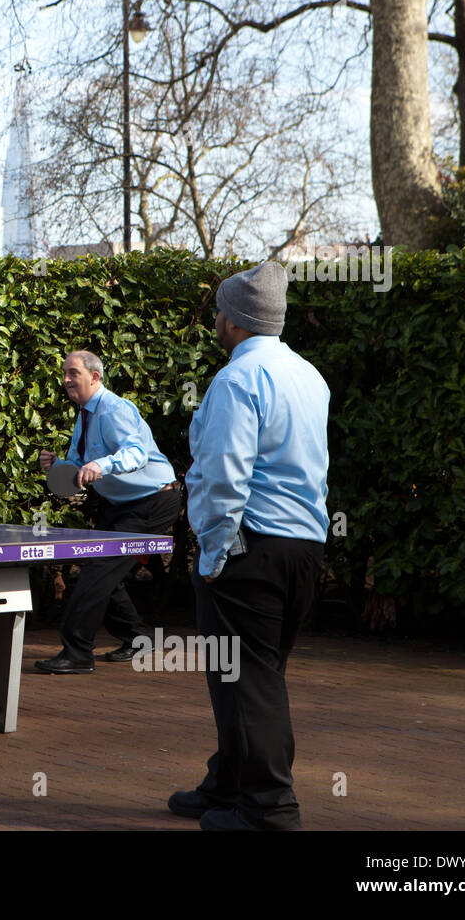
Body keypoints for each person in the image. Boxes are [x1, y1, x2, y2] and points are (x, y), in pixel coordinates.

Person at [170, 261, 329, 831]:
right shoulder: (311, 377)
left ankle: (270, 810)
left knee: (249, 680)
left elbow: (223, 475)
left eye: (220, 310)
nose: (215, 319)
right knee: (254, 672)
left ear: (235, 320)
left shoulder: (236, 381)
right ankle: (230, 784)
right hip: (303, 547)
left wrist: (212, 555)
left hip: (248, 548)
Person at [35, 350, 181, 674]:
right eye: (65, 374)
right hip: (127, 504)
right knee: (101, 566)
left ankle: (77, 654)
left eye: (73, 373)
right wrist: (57, 467)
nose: (67, 380)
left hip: (154, 500)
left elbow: (136, 453)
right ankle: (137, 637)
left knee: (98, 568)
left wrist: (100, 465)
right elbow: (78, 468)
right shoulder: (85, 415)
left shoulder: (114, 409)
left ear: (95, 377)